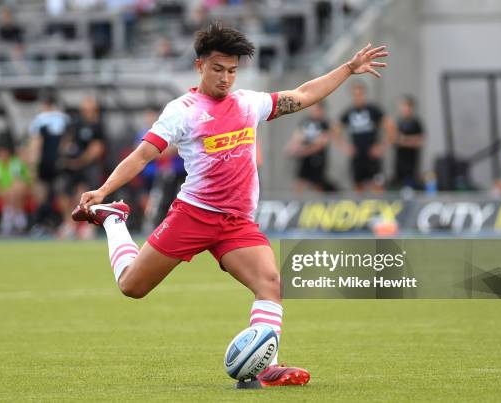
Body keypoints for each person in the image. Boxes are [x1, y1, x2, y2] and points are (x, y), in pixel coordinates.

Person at [72, 23, 387, 386]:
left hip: (237, 222)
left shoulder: (248, 103)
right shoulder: (183, 110)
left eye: (232, 70)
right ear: (200, 66)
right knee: (132, 286)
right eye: (218, 69)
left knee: (270, 282)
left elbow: (301, 95)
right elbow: (143, 155)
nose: (226, 78)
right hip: (193, 215)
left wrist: (348, 68)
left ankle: (264, 366)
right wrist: (103, 190)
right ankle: (114, 219)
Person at [58, 95, 106, 238]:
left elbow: (97, 148)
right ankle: (69, 224)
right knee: (63, 191)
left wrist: (80, 161)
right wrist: (68, 157)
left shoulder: (98, 126)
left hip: (89, 166)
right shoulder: (75, 124)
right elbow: (66, 142)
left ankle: (87, 226)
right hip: (73, 166)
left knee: (87, 193)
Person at [334, 81, 395, 192]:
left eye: (360, 94)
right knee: (358, 186)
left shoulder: (373, 110)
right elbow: (335, 129)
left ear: (364, 94)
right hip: (357, 156)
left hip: (372, 156)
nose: (358, 97)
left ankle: (378, 207)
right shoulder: (349, 112)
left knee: (378, 185)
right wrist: (345, 147)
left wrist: (382, 147)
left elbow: (390, 127)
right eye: (355, 94)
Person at [27, 93, 70, 234]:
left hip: (44, 161)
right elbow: (67, 142)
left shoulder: (40, 120)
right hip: (59, 161)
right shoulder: (64, 119)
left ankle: (43, 223)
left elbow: (36, 142)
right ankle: (67, 224)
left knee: (42, 193)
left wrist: (32, 165)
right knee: (61, 193)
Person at [0, 137, 31, 234]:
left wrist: (6, 191)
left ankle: (13, 219)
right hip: (3, 190)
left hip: (15, 191)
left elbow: (17, 181)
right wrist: (0, 190)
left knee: (14, 191)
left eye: (4, 152)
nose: (2, 155)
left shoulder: (15, 162)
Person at [285, 101, 334, 192]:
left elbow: (321, 143)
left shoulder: (325, 124)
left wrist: (303, 151)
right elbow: (297, 135)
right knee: (300, 181)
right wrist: (292, 147)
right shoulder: (305, 121)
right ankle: (298, 203)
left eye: (316, 109)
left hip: (318, 158)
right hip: (304, 158)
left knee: (317, 183)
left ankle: (318, 204)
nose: (313, 111)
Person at [392, 95, 424, 189]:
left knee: (411, 186)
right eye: (402, 106)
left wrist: (404, 140)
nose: (404, 109)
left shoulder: (416, 123)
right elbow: (394, 139)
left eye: (406, 106)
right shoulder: (399, 122)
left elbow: (420, 141)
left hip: (411, 164)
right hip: (399, 164)